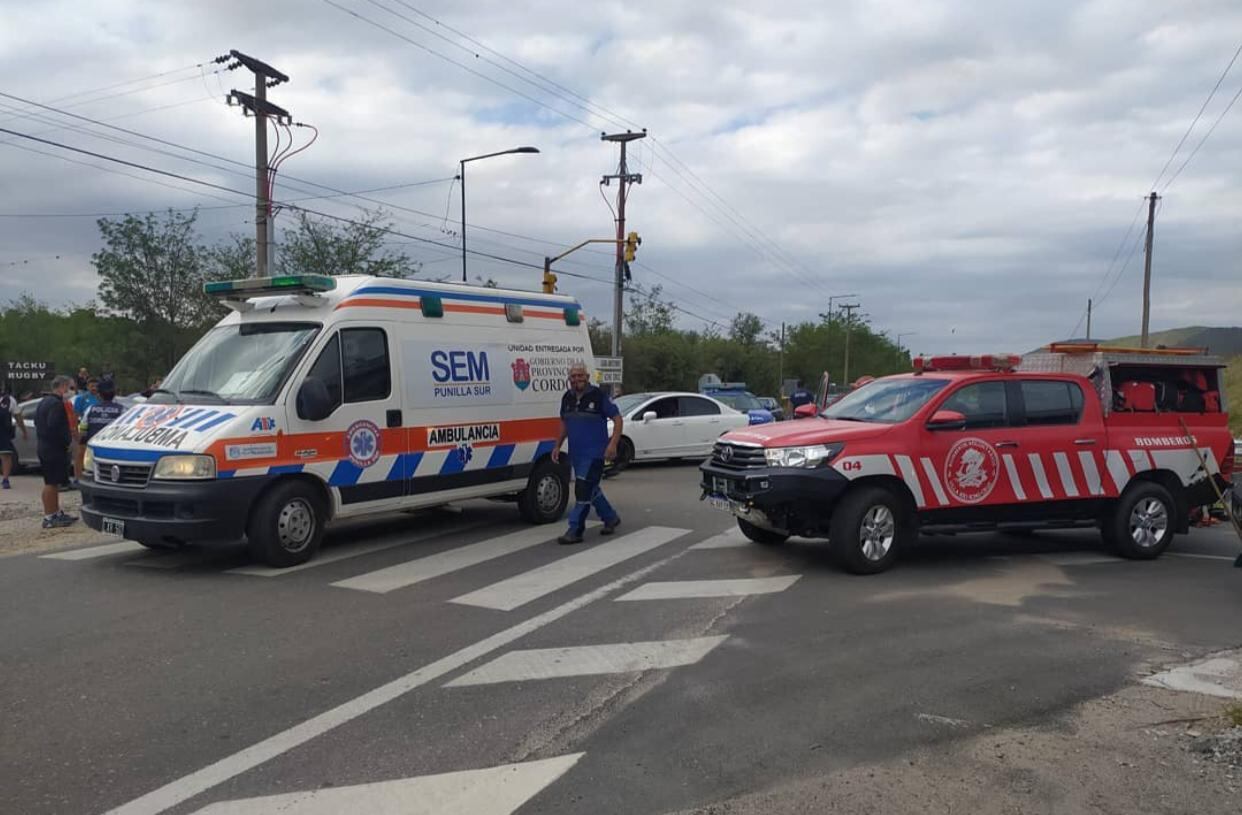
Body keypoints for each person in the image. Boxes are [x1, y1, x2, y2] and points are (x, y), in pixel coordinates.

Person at [552, 362, 623, 545]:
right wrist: (557, 445)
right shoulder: (567, 398)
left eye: (580, 375)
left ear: (587, 377)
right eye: (573, 376)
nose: (577, 379)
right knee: (591, 488)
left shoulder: (598, 396)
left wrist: (613, 444)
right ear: (569, 379)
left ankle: (575, 530)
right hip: (577, 453)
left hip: (595, 454)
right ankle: (610, 517)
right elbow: (564, 423)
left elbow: (617, 418)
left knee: (582, 490)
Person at [34, 375, 77, 528]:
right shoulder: (56, 404)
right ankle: (50, 516)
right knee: (51, 483)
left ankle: (56, 511)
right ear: (63, 387)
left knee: (54, 482)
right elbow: (55, 427)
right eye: (70, 388)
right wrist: (67, 443)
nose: (71, 391)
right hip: (53, 449)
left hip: (45, 447)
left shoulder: (44, 401)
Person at [79, 378, 125, 451]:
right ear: (114, 393)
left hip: (93, 447)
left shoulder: (90, 409)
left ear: (99, 394)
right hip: (113, 447)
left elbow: (83, 430)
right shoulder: (122, 410)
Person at [0, 387, 28, 489]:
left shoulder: (9, 400)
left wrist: (24, 430)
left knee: (6, 455)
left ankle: (5, 479)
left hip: (3, 432)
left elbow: (18, 416)